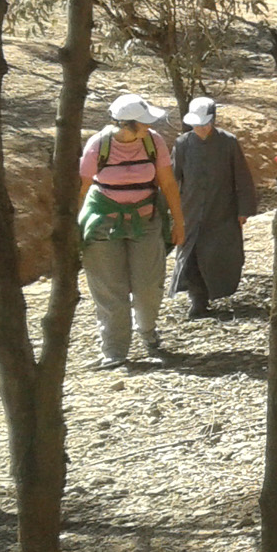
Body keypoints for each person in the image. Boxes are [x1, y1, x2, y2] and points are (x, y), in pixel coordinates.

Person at [79, 94, 186, 368]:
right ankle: (114, 352)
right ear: (126, 125)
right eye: (143, 123)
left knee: (148, 286)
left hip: (146, 221)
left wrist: (179, 222)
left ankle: (148, 332)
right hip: (104, 224)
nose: (149, 128)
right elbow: (80, 189)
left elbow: (168, 184)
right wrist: (71, 230)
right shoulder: (98, 146)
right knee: (109, 290)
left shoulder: (153, 142)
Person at [169, 96, 258, 319]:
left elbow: (242, 178)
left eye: (204, 124)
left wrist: (243, 209)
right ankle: (197, 300)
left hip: (221, 212)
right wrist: (171, 209)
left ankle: (211, 293)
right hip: (190, 213)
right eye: (196, 125)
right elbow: (172, 178)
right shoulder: (182, 144)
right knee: (191, 257)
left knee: (219, 255)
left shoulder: (228, 143)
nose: (200, 128)